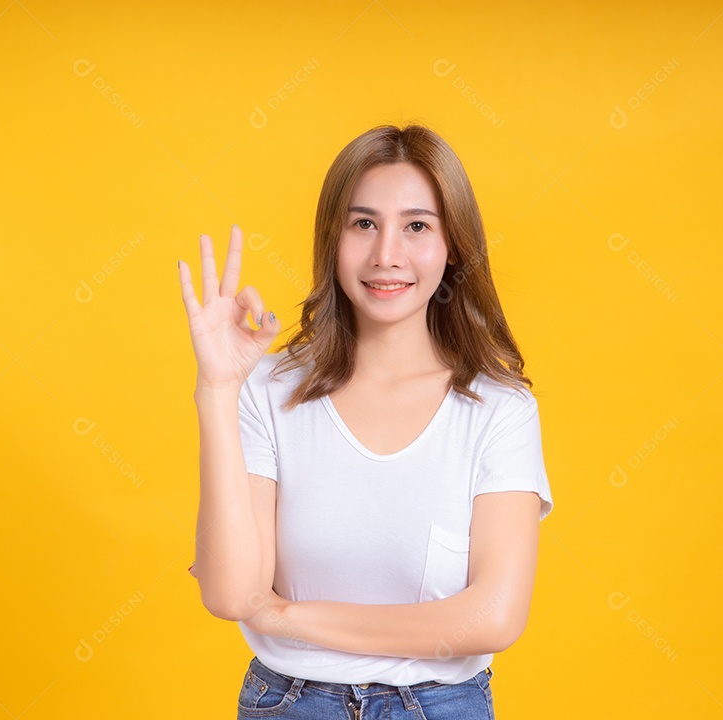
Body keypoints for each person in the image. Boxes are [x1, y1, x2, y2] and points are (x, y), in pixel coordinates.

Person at [178, 124, 553, 719]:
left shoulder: (498, 410)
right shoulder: (267, 391)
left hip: (442, 707)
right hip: (289, 704)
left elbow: (493, 617)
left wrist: (284, 616)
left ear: (452, 243)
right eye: (363, 224)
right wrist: (217, 389)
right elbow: (229, 592)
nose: (386, 255)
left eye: (416, 226)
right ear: (334, 238)